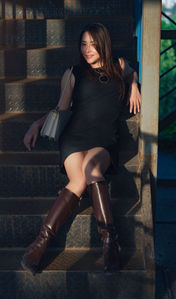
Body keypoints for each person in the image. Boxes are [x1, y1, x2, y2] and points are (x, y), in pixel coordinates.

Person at [21, 23, 141, 275]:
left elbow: (131, 72)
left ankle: (109, 244)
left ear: (103, 44)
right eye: (83, 44)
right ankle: (39, 245)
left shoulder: (119, 65)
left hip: (104, 139)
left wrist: (134, 85)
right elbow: (61, 109)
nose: (88, 49)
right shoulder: (73, 73)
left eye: (93, 44)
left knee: (91, 171)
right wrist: (36, 123)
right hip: (74, 138)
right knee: (78, 180)